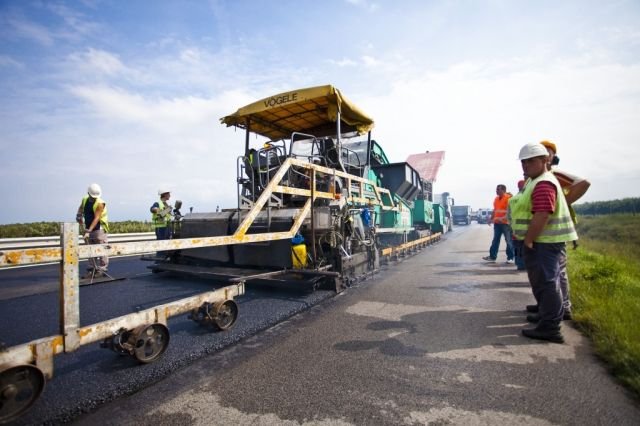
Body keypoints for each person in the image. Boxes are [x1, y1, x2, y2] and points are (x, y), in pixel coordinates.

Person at [512, 142, 577, 343]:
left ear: (545, 160)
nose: (526, 165)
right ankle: (546, 315)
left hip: (544, 242)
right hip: (542, 242)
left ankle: (550, 328)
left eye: (531, 161)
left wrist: (529, 239)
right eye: (523, 162)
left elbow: (542, 213)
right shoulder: (536, 180)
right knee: (543, 283)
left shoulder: (543, 183)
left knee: (547, 284)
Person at [526, 140, 591, 320]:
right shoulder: (539, 177)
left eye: (547, 152)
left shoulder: (552, 174)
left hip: (554, 229)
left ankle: (563, 308)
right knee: (551, 273)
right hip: (548, 229)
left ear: (552, 157)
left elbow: (583, 183)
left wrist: (563, 201)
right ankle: (549, 307)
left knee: (556, 272)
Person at [76, 183, 109, 278]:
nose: (94, 198)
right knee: (90, 249)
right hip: (89, 228)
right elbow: (81, 208)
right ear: (88, 193)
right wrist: (79, 214)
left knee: (102, 249)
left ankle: (102, 269)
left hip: (99, 229)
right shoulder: (85, 199)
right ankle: (92, 269)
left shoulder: (100, 203)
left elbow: (96, 218)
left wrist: (88, 231)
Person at [482, 184, 514, 263]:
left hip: (506, 223)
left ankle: (510, 258)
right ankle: (492, 257)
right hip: (497, 223)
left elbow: (511, 211)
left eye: (498, 189)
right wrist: (491, 219)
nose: (496, 191)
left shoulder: (509, 198)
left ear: (503, 190)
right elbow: (495, 210)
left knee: (508, 240)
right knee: (495, 240)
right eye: (496, 189)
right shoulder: (496, 199)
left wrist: (504, 219)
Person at [150, 189, 173, 258]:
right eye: (168, 194)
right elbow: (152, 209)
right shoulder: (157, 203)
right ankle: (158, 261)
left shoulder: (166, 204)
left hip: (167, 227)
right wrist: (156, 209)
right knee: (161, 244)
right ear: (165, 194)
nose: (170, 195)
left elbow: (167, 216)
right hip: (160, 228)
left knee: (166, 244)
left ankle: (165, 259)